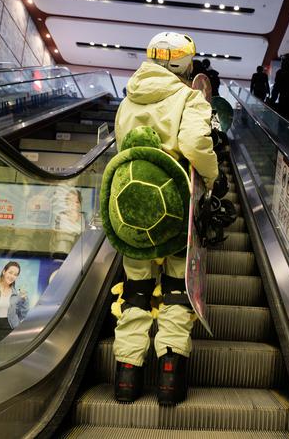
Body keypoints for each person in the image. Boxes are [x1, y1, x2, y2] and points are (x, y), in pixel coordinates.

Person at [112, 32, 218, 405]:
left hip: (129, 208)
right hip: (174, 207)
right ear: (184, 64)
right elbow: (194, 144)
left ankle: (127, 376)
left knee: (136, 291)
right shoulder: (189, 97)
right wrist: (211, 175)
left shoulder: (127, 100)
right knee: (176, 288)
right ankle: (169, 378)